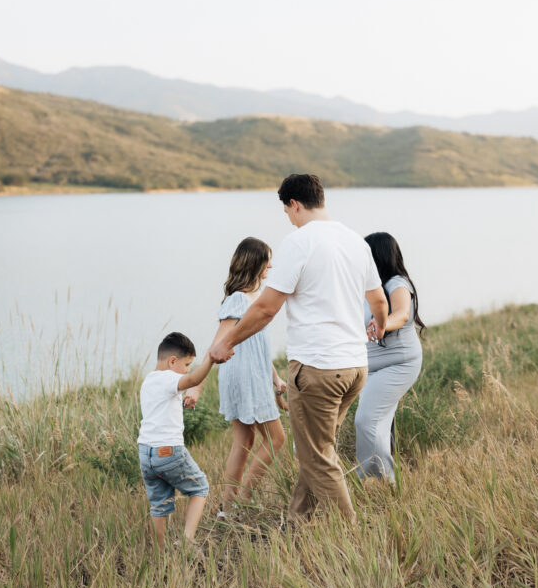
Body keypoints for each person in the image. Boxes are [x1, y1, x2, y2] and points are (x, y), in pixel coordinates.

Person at [208, 173, 388, 524]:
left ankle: (351, 535)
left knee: (317, 458)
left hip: (318, 370)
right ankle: (296, 523)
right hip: (354, 368)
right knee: (316, 450)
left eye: (287, 211)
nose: (288, 219)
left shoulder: (298, 242)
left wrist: (225, 343)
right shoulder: (355, 242)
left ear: (294, 204)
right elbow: (378, 300)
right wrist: (378, 325)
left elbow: (265, 308)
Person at [209, 237, 288, 518]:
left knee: (244, 441)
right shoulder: (239, 299)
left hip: (251, 373)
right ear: (255, 263)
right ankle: (243, 498)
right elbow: (219, 342)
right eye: (267, 259)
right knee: (276, 439)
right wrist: (196, 383)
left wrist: (276, 380)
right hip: (243, 376)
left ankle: (228, 509)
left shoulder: (250, 300)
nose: (271, 265)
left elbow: (257, 349)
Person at [355, 232, 425, 481]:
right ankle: (384, 481)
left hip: (398, 363)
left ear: (377, 256)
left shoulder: (397, 282)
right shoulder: (368, 288)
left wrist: (383, 324)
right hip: (370, 368)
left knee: (365, 420)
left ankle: (374, 478)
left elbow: (402, 314)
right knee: (379, 426)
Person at [138, 331, 214, 550]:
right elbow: (193, 379)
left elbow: (165, 404)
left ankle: (160, 553)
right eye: (187, 364)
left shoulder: (148, 381)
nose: (188, 369)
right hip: (168, 451)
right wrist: (211, 359)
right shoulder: (170, 377)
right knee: (200, 488)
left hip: (146, 453)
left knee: (160, 505)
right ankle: (188, 540)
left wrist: (184, 397)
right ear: (173, 361)